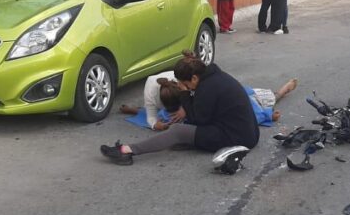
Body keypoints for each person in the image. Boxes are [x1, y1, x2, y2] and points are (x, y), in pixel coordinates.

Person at [100, 51, 260, 166]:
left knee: (178, 131)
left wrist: (184, 94)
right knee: (182, 132)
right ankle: (189, 141)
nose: (186, 87)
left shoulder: (208, 88)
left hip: (238, 138)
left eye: (186, 83)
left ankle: (127, 151)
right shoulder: (215, 77)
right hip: (248, 133)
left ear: (194, 77)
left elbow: (198, 119)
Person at [120, 73, 299, 129]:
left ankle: (281, 91)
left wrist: (267, 116)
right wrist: (156, 125)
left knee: (261, 100)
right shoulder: (152, 92)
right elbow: (153, 115)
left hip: (228, 97)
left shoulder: (187, 82)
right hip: (184, 104)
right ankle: (136, 110)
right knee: (162, 116)